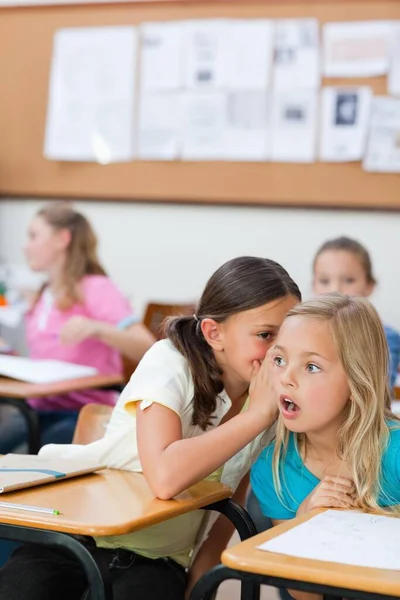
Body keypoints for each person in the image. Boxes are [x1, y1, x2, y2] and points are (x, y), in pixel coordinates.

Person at [0, 255, 301, 600]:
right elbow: (165, 477)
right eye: (265, 335)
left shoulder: (261, 400)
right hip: (77, 537)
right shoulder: (169, 361)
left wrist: (200, 582)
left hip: (157, 561)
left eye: (286, 337)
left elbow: (230, 499)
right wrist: (256, 417)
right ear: (214, 332)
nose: (278, 351)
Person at [251, 294, 400, 600]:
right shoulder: (272, 469)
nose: (286, 379)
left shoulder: (395, 453)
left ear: (356, 379)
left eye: (312, 367)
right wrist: (305, 520)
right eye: (280, 360)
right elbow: (305, 595)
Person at [0, 202, 155, 452]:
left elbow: (146, 347)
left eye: (34, 236)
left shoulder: (96, 288)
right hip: (36, 408)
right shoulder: (43, 295)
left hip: (82, 413)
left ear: (62, 239)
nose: (25, 246)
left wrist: (97, 328)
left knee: (39, 448)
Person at [312, 236, 400, 390]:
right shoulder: (303, 333)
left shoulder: (386, 336)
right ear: (314, 285)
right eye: (325, 281)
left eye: (349, 280)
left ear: (369, 285)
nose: (335, 290)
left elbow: (381, 388)